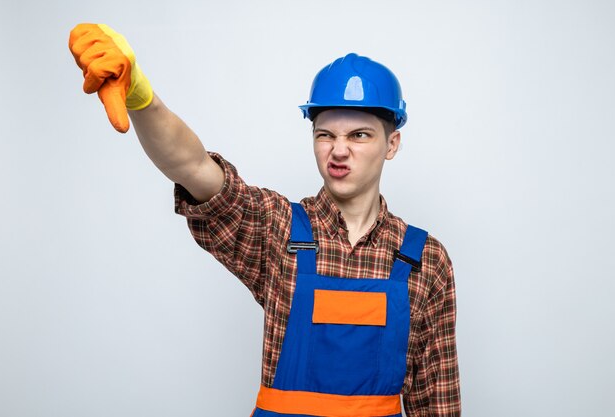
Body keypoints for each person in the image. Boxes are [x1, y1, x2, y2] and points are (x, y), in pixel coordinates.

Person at [69, 23, 461, 417]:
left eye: (359, 136)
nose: (339, 151)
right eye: (326, 135)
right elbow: (193, 167)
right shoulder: (279, 231)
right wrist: (141, 96)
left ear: (391, 143)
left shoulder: (425, 260)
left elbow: (438, 405)